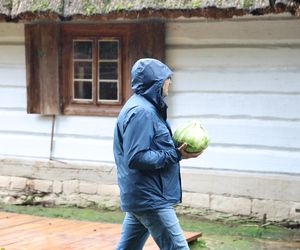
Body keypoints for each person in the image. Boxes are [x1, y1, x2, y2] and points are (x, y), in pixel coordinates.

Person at [113, 58, 201, 250]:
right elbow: (135, 157)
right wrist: (176, 155)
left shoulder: (146, 107)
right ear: (157, 83)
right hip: (150, 197)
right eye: (167, 79)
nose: (170, 83)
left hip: (142, 196)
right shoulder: (142, 112)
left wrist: (174, 149)